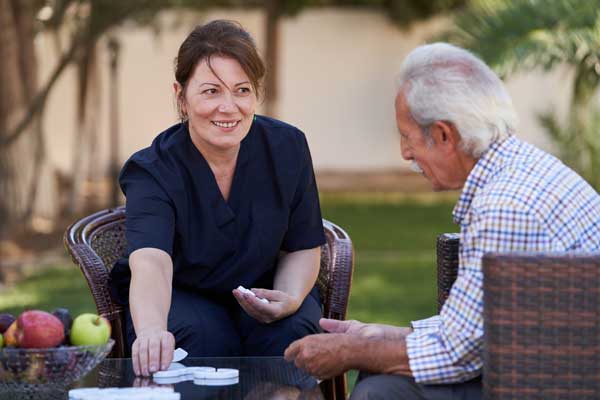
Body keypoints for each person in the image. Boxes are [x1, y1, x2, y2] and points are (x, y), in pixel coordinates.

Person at [284, 42, 600, 400]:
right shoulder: (519, 166)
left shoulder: (506, 206)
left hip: (557, 382)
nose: (404, 153)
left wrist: (349, 352)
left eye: (406, 136)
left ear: (444, 135)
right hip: (542, 359)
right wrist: (376, 335)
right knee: (378, 366)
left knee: (382, 392)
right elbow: (480, 326)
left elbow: (460, 353)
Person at [109, 20, 326, 377]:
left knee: (293, 335)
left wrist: (289, 297)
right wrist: (150, 330)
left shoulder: (288, 147)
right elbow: (151, 262)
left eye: (242, 90)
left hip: (263, 288)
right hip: (183, 294)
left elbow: (304, 244)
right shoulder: (152, 168)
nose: (229, 107)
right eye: (211, 91)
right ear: (181, 97)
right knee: (202, 339)